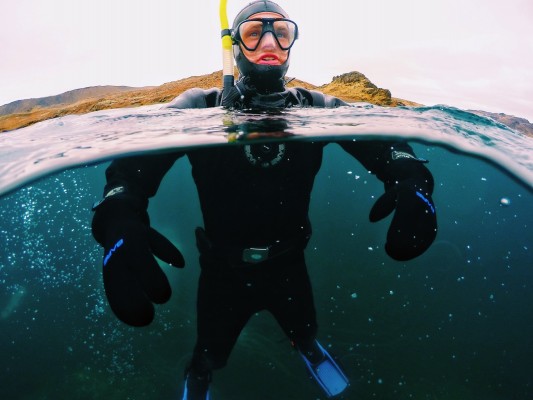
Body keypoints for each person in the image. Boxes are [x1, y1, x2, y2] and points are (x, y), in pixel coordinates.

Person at [91, 1, 438, 399]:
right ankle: (200, 371)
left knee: (305, 330)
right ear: (235, 43)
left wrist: (413, 176)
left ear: (292, 44)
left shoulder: (317, 107)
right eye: (255, 32)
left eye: (282, 32)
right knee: (210, 351)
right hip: (222, 271)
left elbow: (383, 142)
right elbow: (135, 168)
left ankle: (307, 348)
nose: (270, 41)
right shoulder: (199, 106)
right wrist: (118, 214)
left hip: (288, 264)